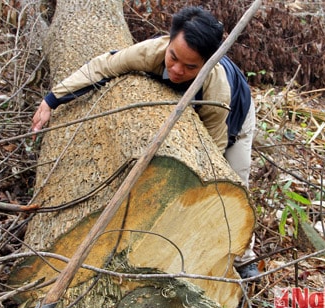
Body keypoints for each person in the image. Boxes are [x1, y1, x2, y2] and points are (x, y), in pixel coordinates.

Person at [31, 6, 259, 277]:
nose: (175, 69)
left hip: (236, 121)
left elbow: (214, 148)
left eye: (189, 67)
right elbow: (103, 66)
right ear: (169, 41)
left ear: (207, 63)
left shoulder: (216, 90)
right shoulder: (151, 52)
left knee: (235, 183)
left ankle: (245, 259)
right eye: (173, 57)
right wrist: (51, 100)